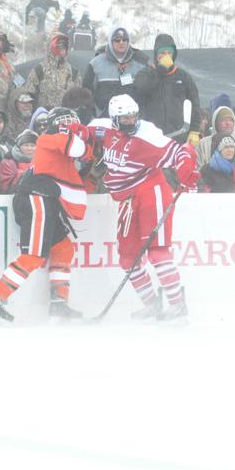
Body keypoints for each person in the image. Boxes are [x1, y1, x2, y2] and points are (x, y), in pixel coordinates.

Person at [86, 95, 199, 320]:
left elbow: (181, 152)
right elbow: (84, 133)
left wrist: (186, 169)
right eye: (125, 118)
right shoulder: (102, 128)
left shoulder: (148, 135)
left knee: (157, 253)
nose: (131, 121)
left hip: (150, 192)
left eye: (133, 116)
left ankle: (177, 304)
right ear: (114, 118)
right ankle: (152, 304)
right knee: (128, 258)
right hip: (126, 201)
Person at [0, 107, 94, 322]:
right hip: (36, 198)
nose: (72, 125)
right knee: (33, 255)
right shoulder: (50, 138)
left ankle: (59, 303)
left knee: (63, 248)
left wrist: (93, 161)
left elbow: (80, 163)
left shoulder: (57, 143)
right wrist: (89, 143)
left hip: (44, 200)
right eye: (68, 122)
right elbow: (78, 148)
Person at [134, 33, 201, 141]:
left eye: (169, 53)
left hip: (178, 134)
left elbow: (195, 104)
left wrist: (194, 130)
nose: (166, 56)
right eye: (162, 53)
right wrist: (161, 70)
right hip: (150, 136)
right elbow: (140, 90)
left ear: (173, 55)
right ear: (156, 54)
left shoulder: (183, 76)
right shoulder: (145, 73)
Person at [83, 26, 151, 118]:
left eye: (125, 40)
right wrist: (95, 113)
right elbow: (86, 91)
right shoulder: (95, 63)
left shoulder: (141, 64)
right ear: (111, 42)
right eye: (117, 40)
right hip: (105, 118)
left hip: (132, 119)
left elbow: (148, 93)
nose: (121, 43)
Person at [24, 34, 80, 115]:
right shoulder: (39, 70)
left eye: (64, 48)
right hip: (45, 117)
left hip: (66, 117)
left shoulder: (74, 73)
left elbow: (78, 100)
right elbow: (28, 96)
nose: (61, 51)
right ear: (50, 48)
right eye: (58, 48)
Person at [197, 94, 235, 168]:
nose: (227, 123)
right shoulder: (204, 144)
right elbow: (196, 168)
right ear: (216, 123)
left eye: (230, 120)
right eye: (223, 120)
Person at [0, 129, 37, 193]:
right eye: (26, 145)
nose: (29, 148)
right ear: (19, 147)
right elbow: (6, 188)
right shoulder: (8, 162)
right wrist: (25, 174)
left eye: (32, 145)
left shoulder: (42, 161)